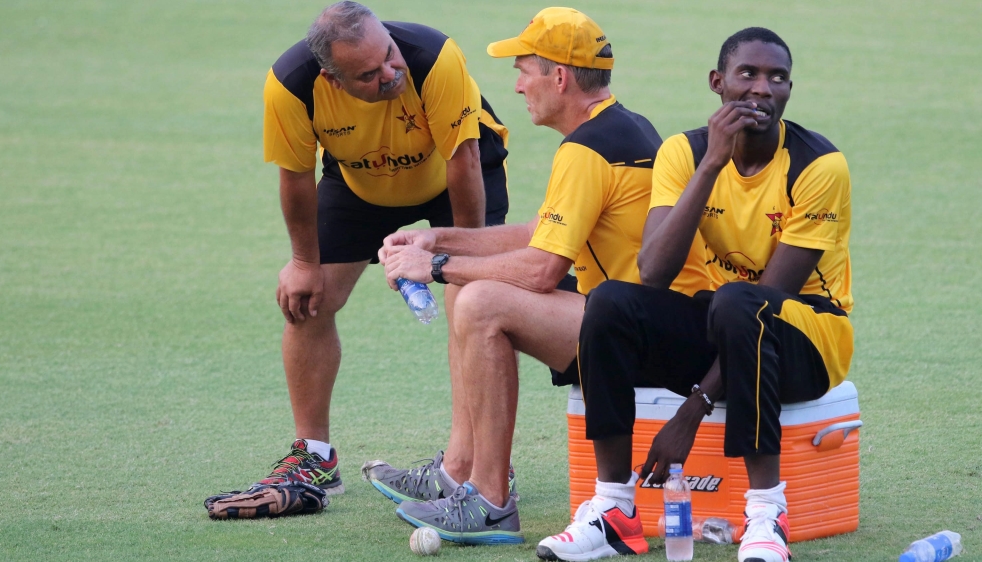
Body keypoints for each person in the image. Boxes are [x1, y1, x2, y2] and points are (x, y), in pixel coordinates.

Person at [368, 7, 707, 546]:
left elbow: (543, 269)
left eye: (524, 70)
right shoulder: (613, 128)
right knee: (465, 292)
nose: (519, 84)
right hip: (656, 321)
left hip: (655, 342)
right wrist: (437, 238)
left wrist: (431, 267)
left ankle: (490, 501)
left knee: (480, 301)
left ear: (560, 77)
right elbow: (537, 234)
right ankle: (460, 470)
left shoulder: (589, 148)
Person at [548, 28, 854, 562]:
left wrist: (693, 409)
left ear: (788, 90)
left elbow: (768, 296)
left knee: (740, 300)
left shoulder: (818, 165)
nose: (762, 89)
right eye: (747, 75)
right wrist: (712, 163)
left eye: (776, 78)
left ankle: (766, 514)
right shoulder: (684, 153)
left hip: (809, 336)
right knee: (610, 302)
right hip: (725, 322)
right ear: (718, 83)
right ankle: (613, 508)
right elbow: (654, 272)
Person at [221, 1, 510, 499]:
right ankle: (313, 457)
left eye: (390, 56)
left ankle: (476, 464)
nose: (390, 72)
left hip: (453, 171)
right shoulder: (291, 84)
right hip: (358, 180)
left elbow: (463, 161)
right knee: (306, 303)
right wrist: (303, 263)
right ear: (334, 80)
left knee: (474, 304)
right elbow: (294, 176)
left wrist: (459, 262)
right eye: (369, 73)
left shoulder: (434, 57)